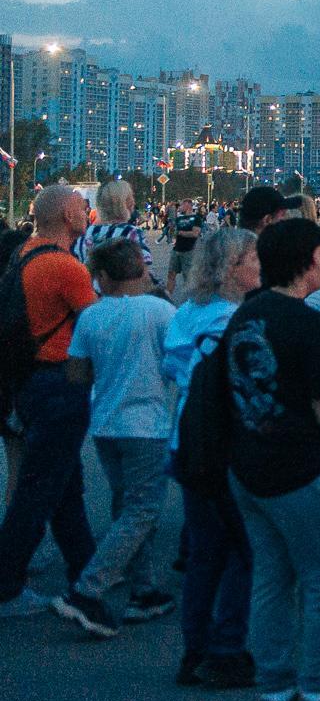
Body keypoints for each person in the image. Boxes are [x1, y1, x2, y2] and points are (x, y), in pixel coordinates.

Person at [224, 217, 320, 701]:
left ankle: (275, 688)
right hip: (304, 469)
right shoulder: (308, 323)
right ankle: (319, 691)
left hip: (250, 467)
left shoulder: (245, 317)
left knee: (272, 577)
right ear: (309, 259)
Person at [50, 240, 177, 638]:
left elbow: (76, 373)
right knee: (143, 509)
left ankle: (145, 589)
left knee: (127, 505)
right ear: (141, 269)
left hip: (105, 422)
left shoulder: (91, 317)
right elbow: (176, 361)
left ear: (100, 277)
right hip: (147, 424)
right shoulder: (159, 312)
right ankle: (89, 589)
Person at [162, 225, 259, 687]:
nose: (260, 268)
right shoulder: (233, 320)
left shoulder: (186, 314)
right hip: (224, 444)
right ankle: (227, 647)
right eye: (253, 261)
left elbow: (173, 369)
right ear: (232, 270)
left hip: (187, 437)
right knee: (243, 549)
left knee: (204, 552)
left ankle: (194, 648)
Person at [0, 185, 99, 619]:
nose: (87, 212)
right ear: (64, 215)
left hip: (32, 382)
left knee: (64, 486)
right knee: (39, 490)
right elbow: (95, 325)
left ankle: (87, 574)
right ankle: (6, 584)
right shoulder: (65, 266)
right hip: (59, 382)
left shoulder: (25, 253)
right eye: (81, 207)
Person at [73, 179, 152, 280]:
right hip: (121, 292)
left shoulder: (85, 234)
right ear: (126, 203)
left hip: (88, 292)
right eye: (131, 196)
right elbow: (143, 274)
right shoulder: (131, 233)